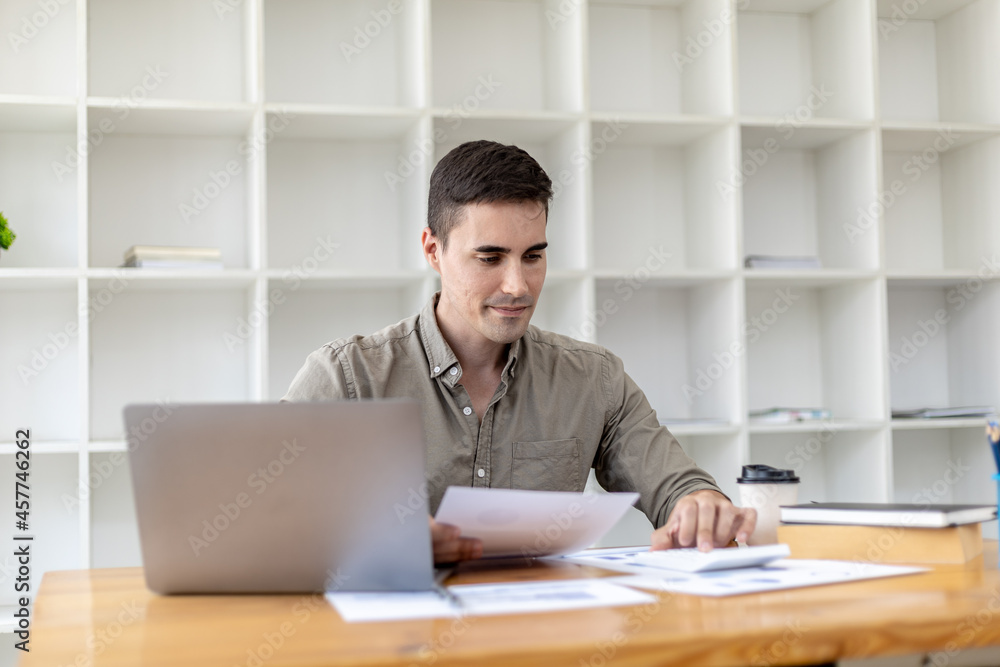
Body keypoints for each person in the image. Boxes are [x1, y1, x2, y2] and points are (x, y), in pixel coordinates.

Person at [282, 140, 756, 564]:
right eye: (490, 258)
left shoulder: (594, 379)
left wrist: (700, 504)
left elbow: (675, 484)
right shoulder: (347, 378)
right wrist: (378, 538)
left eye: (533, 256)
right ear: (433, 250)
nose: (518, 285)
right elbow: (269, 521)